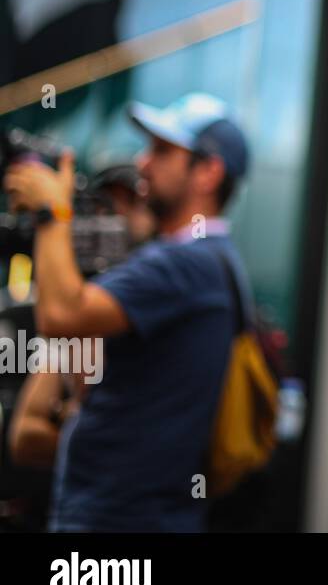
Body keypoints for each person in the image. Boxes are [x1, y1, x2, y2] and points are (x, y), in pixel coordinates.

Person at [2, 92, 251, 531]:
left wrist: (51, 211)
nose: (142, 164)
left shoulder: (187, 263)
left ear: (209, 172)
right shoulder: (210, 263)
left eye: (161, 151)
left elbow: (60, 314)